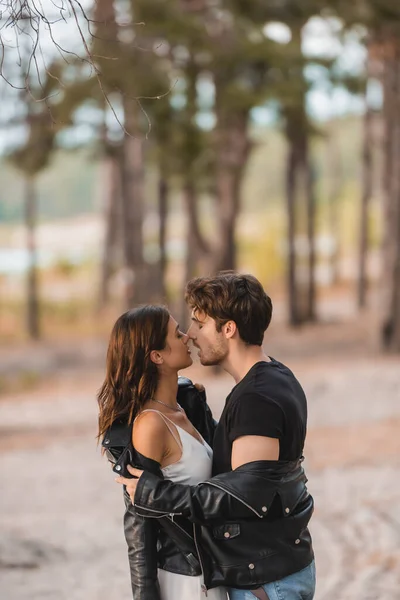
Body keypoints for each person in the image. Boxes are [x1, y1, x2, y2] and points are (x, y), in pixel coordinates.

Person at [116, 272, 316, 600]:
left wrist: (160, 495)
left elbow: (247, 497)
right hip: (272, 572)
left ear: (228, 329)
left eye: (199, 323)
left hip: (264, 583)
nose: (191, 334)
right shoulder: (273, 378)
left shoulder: (257, 399)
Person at [97, 305, 228, 600]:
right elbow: (139, 521)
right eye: (177, 333)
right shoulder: (151, 425)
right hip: (185, 582)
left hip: (209, 572)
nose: (187, 337)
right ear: (156, 356)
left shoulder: (184, 406)